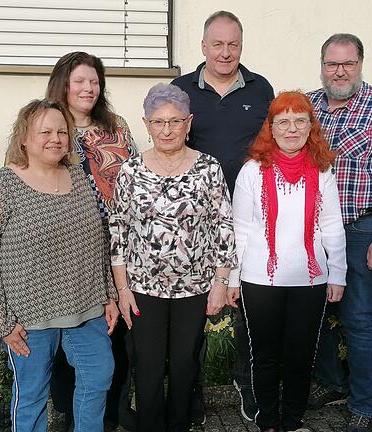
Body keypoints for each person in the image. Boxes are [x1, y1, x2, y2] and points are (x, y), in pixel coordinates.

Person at [0, 99, 118, 432]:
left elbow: (97, 240)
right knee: (33, 395)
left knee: (98, 377)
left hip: (86, 307)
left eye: (62, 131)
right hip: (28, 316)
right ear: (24, 137)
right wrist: (0, 322)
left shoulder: (78, 177)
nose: (56, 138)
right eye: (45, 131)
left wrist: (108, 294)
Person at [109, 83, 236, 432]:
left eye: (175, 121)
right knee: (147, 369)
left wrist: (220, 282)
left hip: (195, 288)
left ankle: (179, 425)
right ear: (147, 125)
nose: (167, 129)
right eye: (158, 122)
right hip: (142, 289)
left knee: (184, 367)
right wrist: (122, 289)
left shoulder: (209, 169)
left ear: (189, 122)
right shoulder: (131, 172)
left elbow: (224, 226)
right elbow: (118, 232)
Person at [306, 33, 372, 431]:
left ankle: (365, 404)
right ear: (322, 66)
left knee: (360, 318)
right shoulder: (308, 106)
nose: (339, 72)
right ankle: (334, 383)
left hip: (360, 230)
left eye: (347, 64)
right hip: (311, 233)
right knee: (312, 314)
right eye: (332, 64)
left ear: (360, 64)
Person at [171, 10, 274, 423]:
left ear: (241, 46)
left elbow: (274, 147)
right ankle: (190, 394)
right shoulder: (179, 90)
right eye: (218, 44)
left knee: (248, 309)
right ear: (202, 47)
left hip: (250, 219)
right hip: (193, 222)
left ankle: (247, 387)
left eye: (233, 44)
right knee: (193, 311)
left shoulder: (260, 87)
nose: (225, 52)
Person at [229, 91, 347, 432]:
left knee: (300, 356)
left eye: (300, 121)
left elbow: (331, 226)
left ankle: (292, 421)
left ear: (311, 126)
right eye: (283, 121)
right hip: (260, 279)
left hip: (310, 280)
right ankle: (268, 422)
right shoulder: (252, 171)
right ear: (272, 128)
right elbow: (241, 229)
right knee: (264, 357)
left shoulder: (322, 170)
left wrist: (337, 274)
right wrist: (233, 279)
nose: (291, 129)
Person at [45, 51, 138, 432]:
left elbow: (135, 180)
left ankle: (112, 410)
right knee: (71, 328)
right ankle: (68, 412)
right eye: (79, 81)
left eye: (94, 81)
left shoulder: (116, 126)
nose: (88, 88)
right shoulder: (47, 126)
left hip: (116, 244)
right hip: (68, 248)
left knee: (116, 332)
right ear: (64, 84)